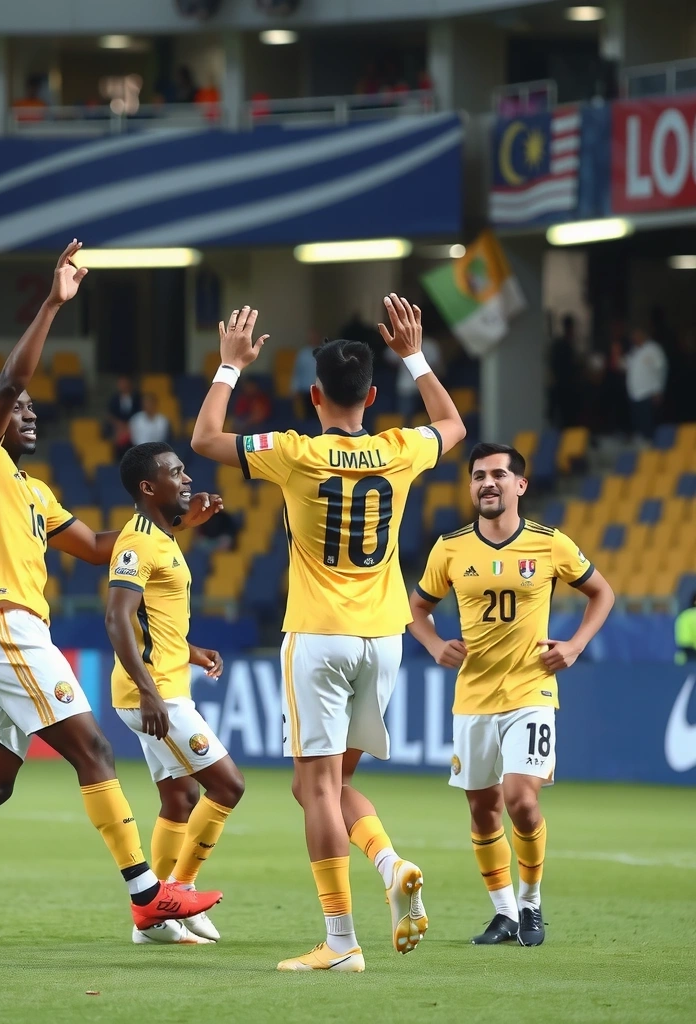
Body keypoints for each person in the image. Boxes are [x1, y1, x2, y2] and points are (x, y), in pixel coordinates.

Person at [0, 240, 223, 956]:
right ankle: (148, 898)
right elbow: (12, 378)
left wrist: (172, 517)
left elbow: (96, 547)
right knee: (92, 748)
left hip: (3, 633)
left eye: (29, 406)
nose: (28, 411)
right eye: (15, 405)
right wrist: (54, 303)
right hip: (4, 628)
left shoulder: (31, 490)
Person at [192, 296, 466, 972]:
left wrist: (229, 368)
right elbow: (453, 424)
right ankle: (389, 862)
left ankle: (341, 943)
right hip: (385, 639)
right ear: (372, 395)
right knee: (325, 785)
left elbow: (204, 439)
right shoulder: (401, 449)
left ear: (315, 395)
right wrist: (415, 354)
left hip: (319, 635)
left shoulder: (295, 452)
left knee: (313, 789)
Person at [409, 442, 615, 947]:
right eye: (479, 475)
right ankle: (503, 914)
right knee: (482, 811)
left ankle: (531, 904)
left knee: (520, 800)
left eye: (499, 474)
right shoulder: (450, 548)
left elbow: (602, 592)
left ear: (520, 485)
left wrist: (575, 645)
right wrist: (434, 643)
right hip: (473, 698)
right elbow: (415, 608)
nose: (488, 483)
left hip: (531, 691)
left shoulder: (549, 543)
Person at [106, 441, 245, 946]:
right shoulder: (139, 541)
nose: (188, 479)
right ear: (149, 487)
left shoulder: (162, 537)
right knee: (228, 786)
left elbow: (153, 624)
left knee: (180, 796)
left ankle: (153, 921)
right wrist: (148, 693)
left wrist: (192, 651)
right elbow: (118, 617)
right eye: (176, 472)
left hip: (163, 685)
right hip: (155, 696)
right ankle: (176, 893)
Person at [384, 333, 444, 421]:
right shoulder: (402, 342)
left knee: (431, 417)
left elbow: (436, 366)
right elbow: (388, 358)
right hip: (406, 387)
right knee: (406, 419)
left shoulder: (429, 345)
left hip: (427, 386)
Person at [624, 326, 668, 442]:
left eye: (636, 335)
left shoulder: (653, 349)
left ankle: (652, 450)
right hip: (635, 395)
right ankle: (643, 450)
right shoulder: (634, 351)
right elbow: (626, 366)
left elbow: (661, 369)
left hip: (649, 393)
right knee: (639, 427)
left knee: (649, 426)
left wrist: (658, 390)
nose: (633, 338)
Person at [107, 375, 141, 457]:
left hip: (134, 426)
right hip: (119, 427)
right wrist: (120, 425)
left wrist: (129, 426)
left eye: (124, 383)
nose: (122, 385)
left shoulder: (137, 397)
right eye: (120, 383)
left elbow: (140, 414)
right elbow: (110, 415)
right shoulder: (114, 399)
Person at [289, 331, 320, 418]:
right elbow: (297, 372)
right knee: (307, 416)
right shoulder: (302, 354)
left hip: (320, 390)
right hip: (306, 390)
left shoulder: (323, 352)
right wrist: (294, 388)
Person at [676, 592, 696, 665]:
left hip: (687, 652)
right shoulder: (686, 616)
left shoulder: (684, 615)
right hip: (690, 653)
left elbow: (683, 640)